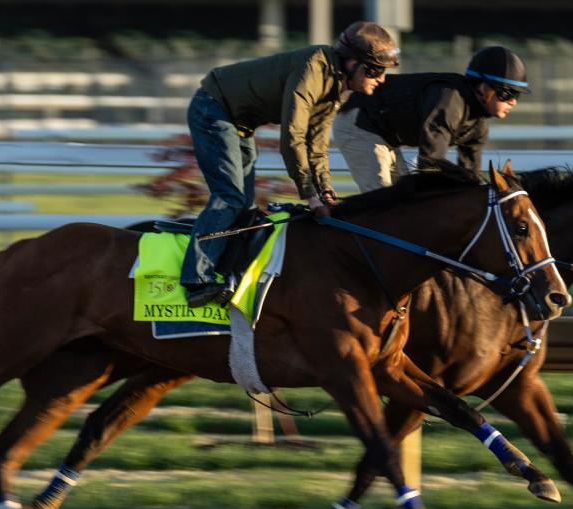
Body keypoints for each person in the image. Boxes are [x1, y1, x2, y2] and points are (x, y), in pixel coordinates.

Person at [180, 21, 400, 308]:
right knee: (230, 197)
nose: (381, 79)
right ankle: (196, 281)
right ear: (352, 64)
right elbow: (293, 137)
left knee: (246, 205)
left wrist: (326, 191)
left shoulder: (336, 86)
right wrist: (309, 194)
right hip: (213, 108)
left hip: (240, 121)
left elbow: (317, 145)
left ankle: (225, 272)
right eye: (375, 70)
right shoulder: (314, 67)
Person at [332, 45, 529, 192]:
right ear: (484, 88)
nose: (513, 102)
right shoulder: (450, 100)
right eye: (507, 94)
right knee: (382, 201)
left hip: (383, 133)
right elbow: (430, 163)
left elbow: (472, 178)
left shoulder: (478, 125)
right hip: (359, 120)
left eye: (517, 96)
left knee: (401, 199)